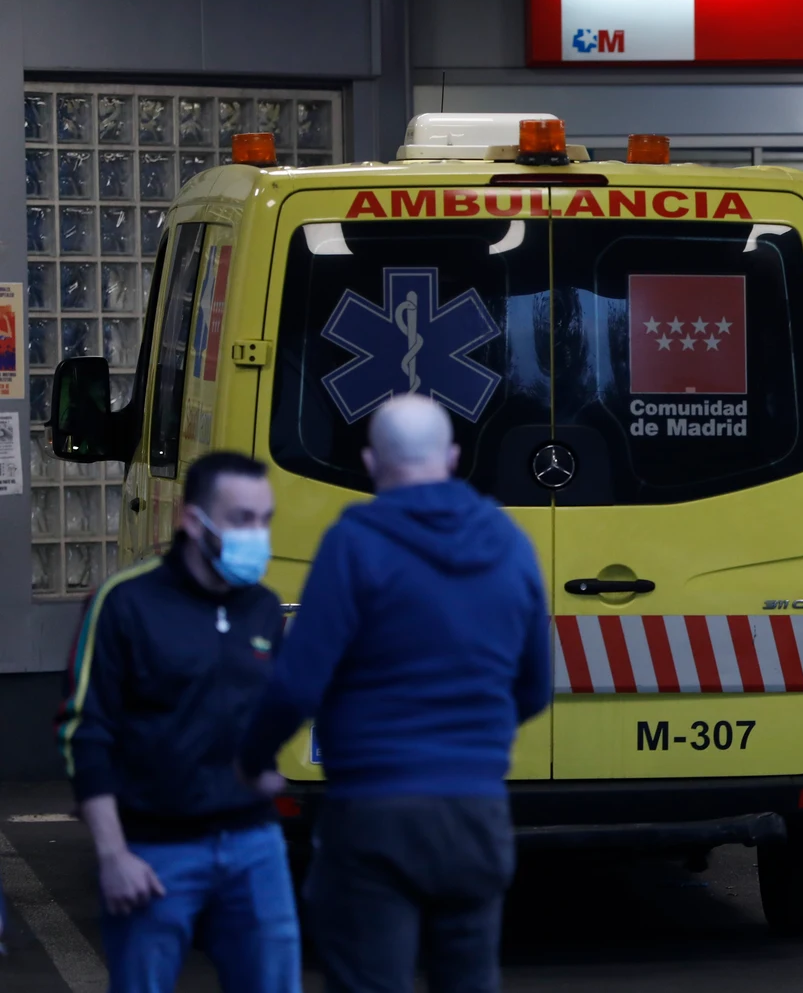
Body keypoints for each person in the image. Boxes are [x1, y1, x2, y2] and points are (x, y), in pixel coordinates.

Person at [239, 395, 551, 992]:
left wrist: (251, 761)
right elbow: (534, 688)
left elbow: (297, 682)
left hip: (373, 815)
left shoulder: (355, 544)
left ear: (370, 460)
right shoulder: (510, 545)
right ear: (453, 457)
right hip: (476, 817)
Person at [56, 451, 298, 992]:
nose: (257, 535)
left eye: (265, 519)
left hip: (254, 846)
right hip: (154, 853)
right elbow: (83, 730)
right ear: (191, 520)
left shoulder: (262, 607)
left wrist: (263, 765)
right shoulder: (123, 603)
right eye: (241, 519)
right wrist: (113, 854)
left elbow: (267, 708)